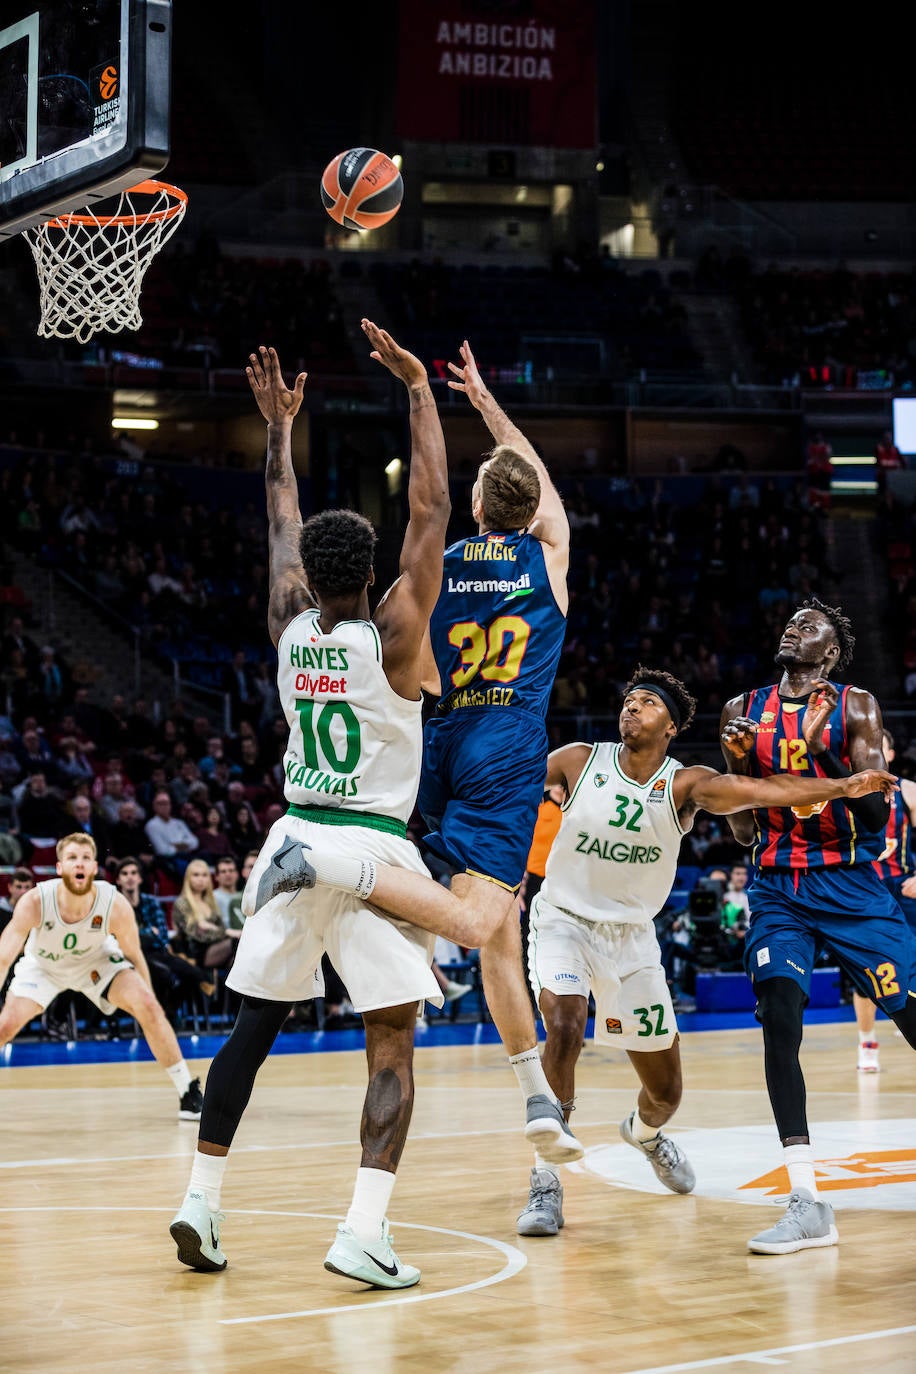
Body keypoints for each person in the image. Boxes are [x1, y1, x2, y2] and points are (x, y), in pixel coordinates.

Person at [169, 322, 451, 1289]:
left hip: (292, 829)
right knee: (391, 1039)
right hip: (371, 851)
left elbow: (280, 527)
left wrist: (280, 433)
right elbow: (432, 507)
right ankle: (362, 1230)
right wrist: (417, 390)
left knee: (251, 1027)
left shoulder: (293, 627)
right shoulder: (399, 637)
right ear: (371, 576)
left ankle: (199, 1202)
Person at [257, 338, 584, 1167]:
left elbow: (432, 517)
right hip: (506, 744)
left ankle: (536, 1094)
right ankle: (335, 874)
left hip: (434, 741)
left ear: (478, 509)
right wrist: (479, 400)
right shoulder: (545, 559)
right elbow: (530, 480)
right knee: (483, 920)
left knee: (497, 930)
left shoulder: (438, 572)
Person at [514, 666, 895, 1237]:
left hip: (633, 939)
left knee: (665, 1093)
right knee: (564, 1025)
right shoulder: (577, 760)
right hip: (563, 919)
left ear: (670, 726)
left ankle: (644, 1135)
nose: (632, 708)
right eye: (629, 699)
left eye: (646, 703)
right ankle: (545, 1184)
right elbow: (504, 785)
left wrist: (839, 788)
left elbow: (764, 792)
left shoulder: (685, 784)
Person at [720, 596, 916, 1254]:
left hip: (852, 884)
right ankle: (807, 1200)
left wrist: (817, 758)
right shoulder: (741, 713)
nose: (793, 628)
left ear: (829, 653)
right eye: (792, 621)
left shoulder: (856, 706)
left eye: (810, 627)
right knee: (780, 1013)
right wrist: (742, 770)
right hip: (778, 885)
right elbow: (743, 826)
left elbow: (875, 821)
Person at [0, 833, 203, 1118]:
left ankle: (187, 1091)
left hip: (95, 962)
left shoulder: (114, 903)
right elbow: (3, 958)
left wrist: (151, 1003)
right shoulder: (35, 901)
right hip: (44, 966)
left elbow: (134, 954)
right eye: (72, 858)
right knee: (5, 1025)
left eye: (85, 858)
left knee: (147, 1004)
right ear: (59, 868)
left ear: (94, 868)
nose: (79, 864)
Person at [853, 727, 916, 1072]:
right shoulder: (848, 789)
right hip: (863, 891)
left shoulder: (909, 792)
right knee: (866, 971)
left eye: (882, 747)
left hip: (902, 886)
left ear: (889, 755)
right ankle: (867, 1042)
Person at [114, 856, 215, 1021]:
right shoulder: (115, 904)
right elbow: (118, 939)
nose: (130, 877)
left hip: (157, 951)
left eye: (133, 873)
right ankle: (159, 1017)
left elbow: (161, 937)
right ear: (118, 879)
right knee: (163, 975)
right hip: (130, 956)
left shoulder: (151, 903)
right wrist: (147, 932)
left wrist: (141, 934)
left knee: (192, 974)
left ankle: (169, 1012)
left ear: (140, 878)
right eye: (125, 874)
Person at [170, 858, 239, 975]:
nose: (200, 879)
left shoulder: (210, 903)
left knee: (239, 958)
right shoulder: (182, 903)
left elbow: (217, 928)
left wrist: (210, 928)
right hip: (195, 954)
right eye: (196, 875)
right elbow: (197, 934)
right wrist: (225, 932)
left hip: (217, 950)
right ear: (188, 878)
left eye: (204, 875)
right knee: (236, 943)